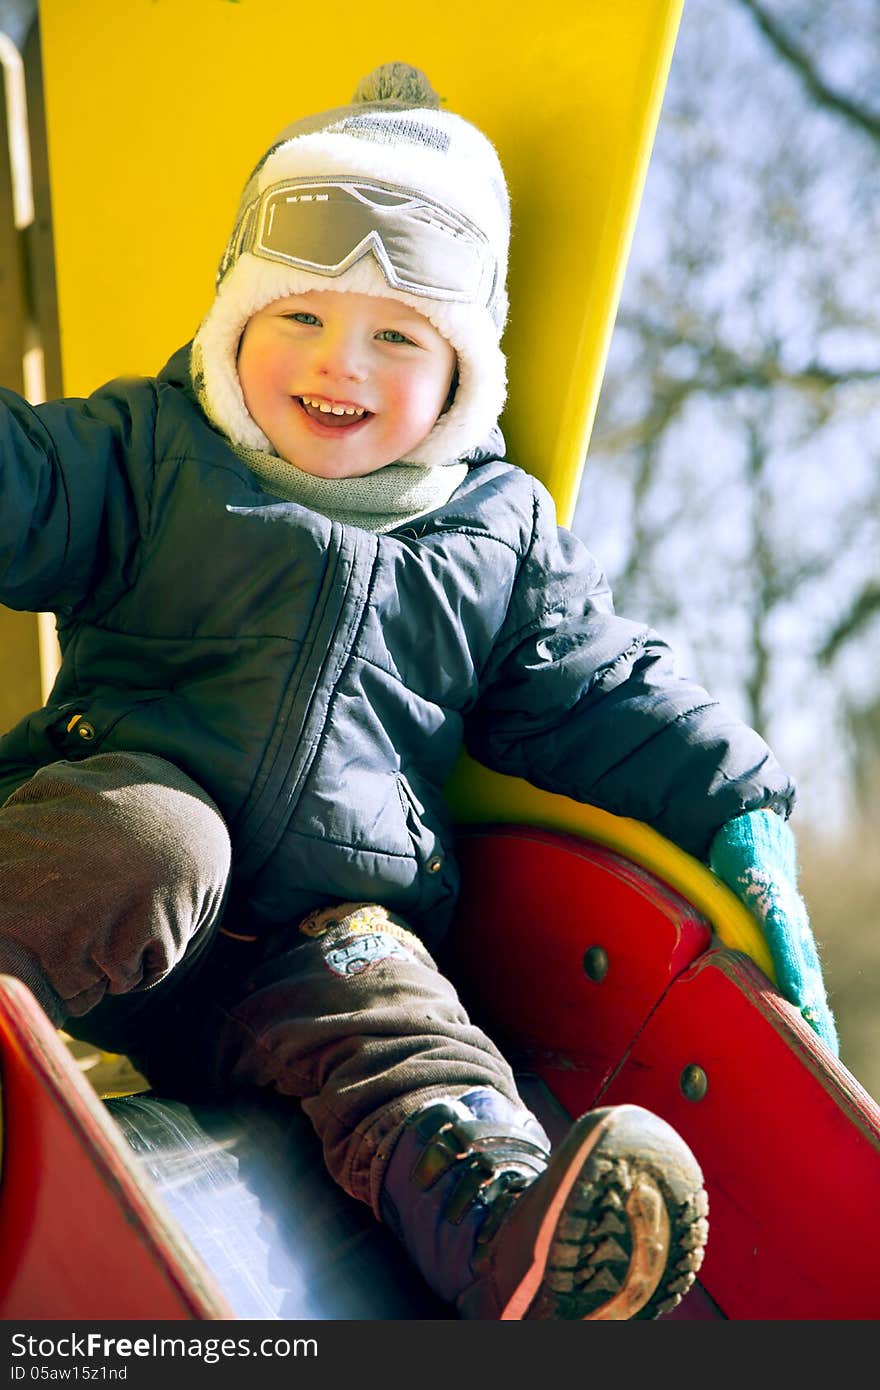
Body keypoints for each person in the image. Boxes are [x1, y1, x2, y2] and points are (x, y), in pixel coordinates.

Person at [0, 62, 837, 1321]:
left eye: (396, 334)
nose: (339, 363)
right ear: (236, 318)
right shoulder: (159, 450)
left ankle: (520, 1235)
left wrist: (739, 801)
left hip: (312, 943)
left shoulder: (495, 535)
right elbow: (26, 486)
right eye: (299, 317)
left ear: (458, 371)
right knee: (152, 841)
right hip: (122, 867)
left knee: (408, 1033)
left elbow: (599, 685)